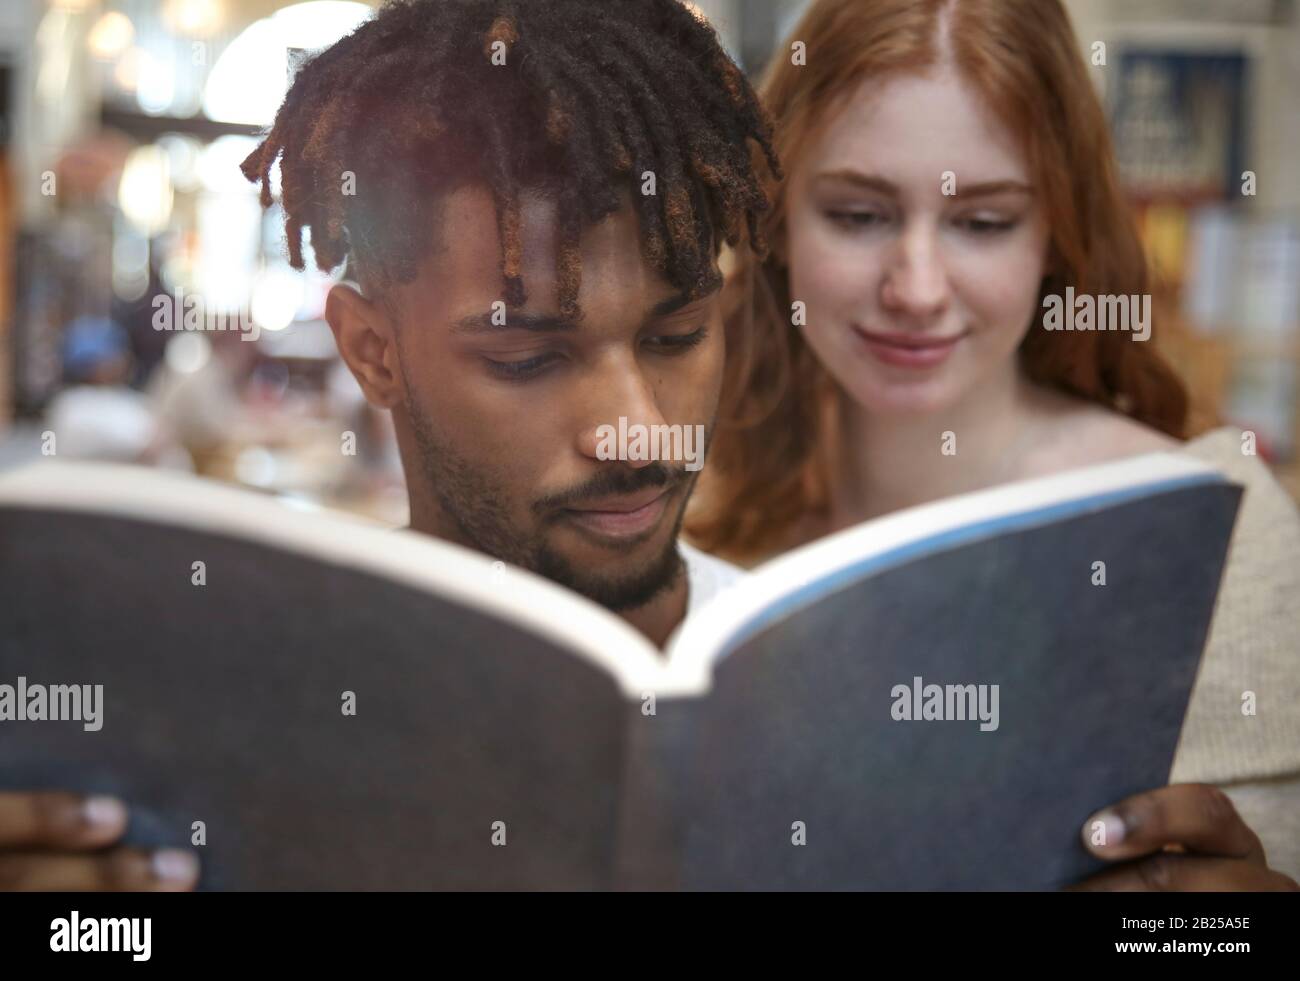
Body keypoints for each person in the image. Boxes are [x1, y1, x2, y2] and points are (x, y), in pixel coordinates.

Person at [1, 0, 1287, 893]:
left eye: (678, 334)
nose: (638, 430)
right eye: (528, 356)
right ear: (371, 346)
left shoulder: (830, 666)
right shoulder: (220, 710)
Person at [686, 0, 1300, 886]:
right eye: (858, 214)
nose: (917, 288)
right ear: (775, 219)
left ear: (1057, 234)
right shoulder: (690, 514)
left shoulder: (1222, 537)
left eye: (982, 222)